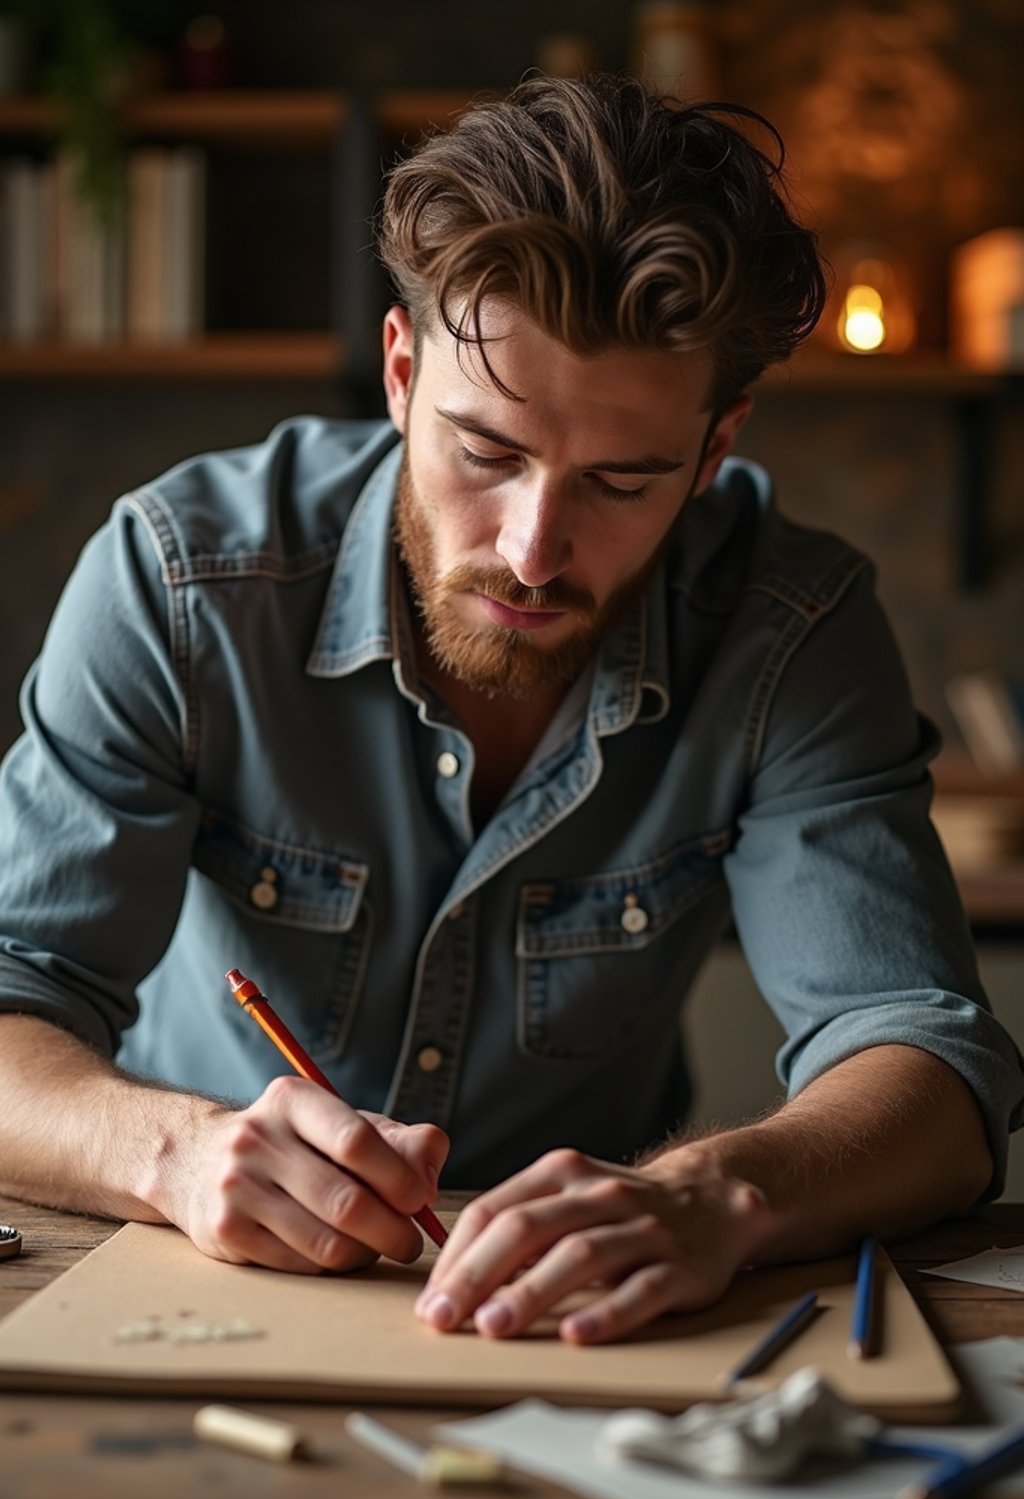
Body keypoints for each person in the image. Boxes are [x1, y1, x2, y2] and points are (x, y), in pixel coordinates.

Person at [0, 75, 1020, 1348]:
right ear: (396, 370)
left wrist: (711, 1195)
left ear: (713, 452)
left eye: (623, 480)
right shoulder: (182, 580)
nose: (534, 551)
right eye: (484, 453)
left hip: (605, 1331)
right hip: (210, 1304)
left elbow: (926, 1058)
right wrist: (170, 1151)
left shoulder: (791, 628)